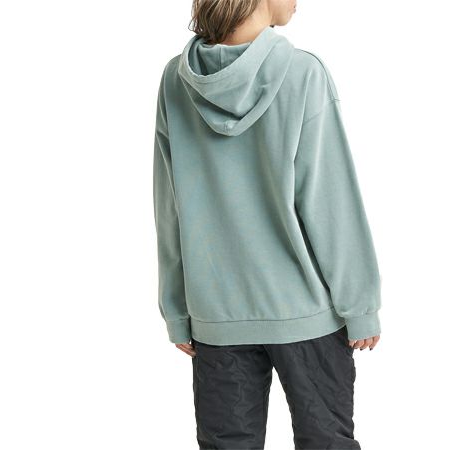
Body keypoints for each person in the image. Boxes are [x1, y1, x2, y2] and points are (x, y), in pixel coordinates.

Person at [153, 0, 382, 448]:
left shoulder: (175, 80)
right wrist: (360, 303)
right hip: (306, 316)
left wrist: (177, 309)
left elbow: (170, 204)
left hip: (217, 315)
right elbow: (330, 199)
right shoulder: (302, 73)